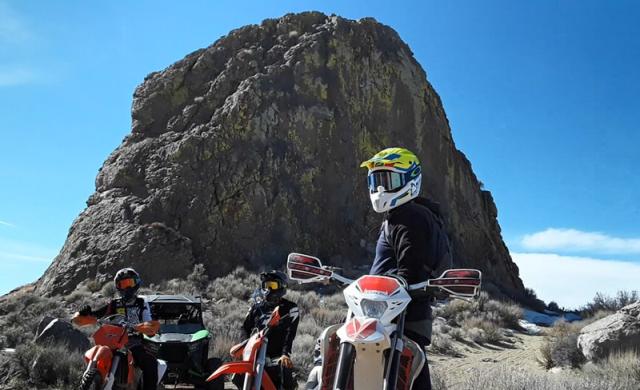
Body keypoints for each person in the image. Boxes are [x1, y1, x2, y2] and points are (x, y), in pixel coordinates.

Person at [360, 147, 452, 390]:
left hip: (397, 319)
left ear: (410, 180)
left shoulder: (408, 216)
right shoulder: (406, 215)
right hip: (396, 317)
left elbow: (410, 270)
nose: (380, 189)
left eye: (388, 180)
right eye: (375, 181)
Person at [78, 268, 159, 390]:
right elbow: (98, 314)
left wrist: (147, 327)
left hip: (133, 342)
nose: (127, 288)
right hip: (112, 341)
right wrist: (87, 312)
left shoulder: (142, 303)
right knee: (97, 355)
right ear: (118, 286)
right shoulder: (114, 304)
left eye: (129, 283)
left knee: (150, 363)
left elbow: (148, 321)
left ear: (136, 284)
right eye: (123, 284)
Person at [240, 270, 299, 390]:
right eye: (266, 285)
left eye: (272, 285)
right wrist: (244, 349)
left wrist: (285, 354)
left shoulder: (290, 308)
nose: (268, 289)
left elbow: (290, 333)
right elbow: (245, 328)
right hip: (255, 353)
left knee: (284, 372)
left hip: (276, 355)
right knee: (239, 376)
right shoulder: (256, 307)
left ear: (282, 286)